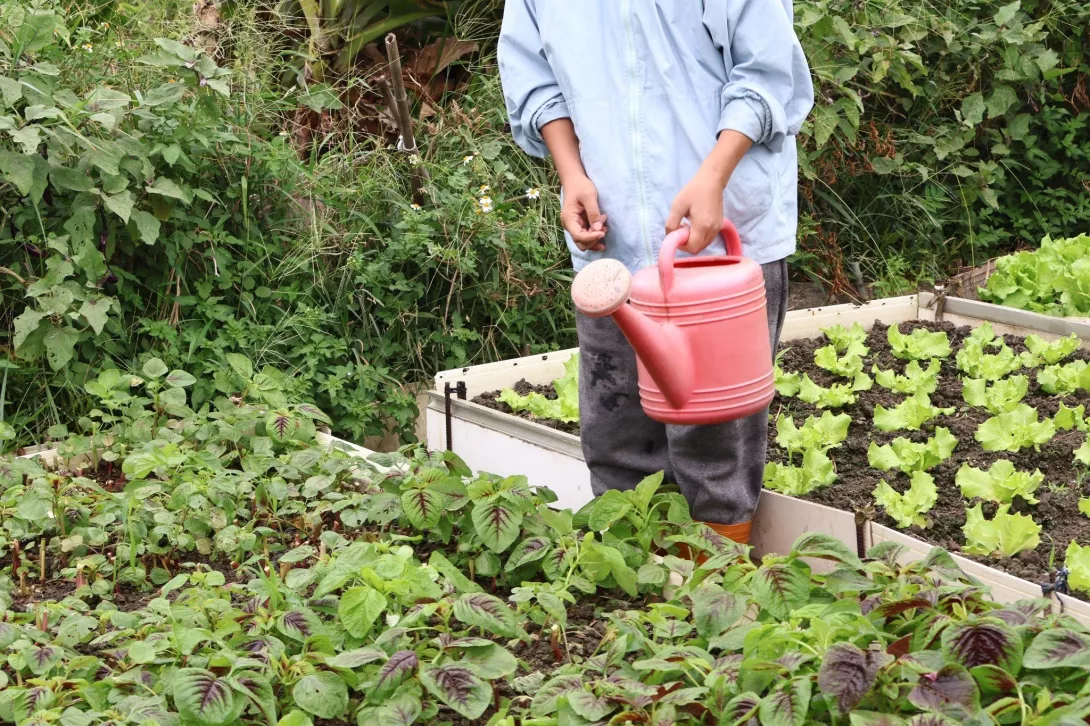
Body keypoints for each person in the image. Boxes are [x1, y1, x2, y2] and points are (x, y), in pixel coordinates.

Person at [498, 1, 814, 544]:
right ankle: (636, 583)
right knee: (618, 439)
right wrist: (572, 174)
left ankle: (719, 584)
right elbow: (533, 78)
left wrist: (713, 176)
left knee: (716, 446)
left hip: (720, 244)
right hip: (612, 241)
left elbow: (766, 72)